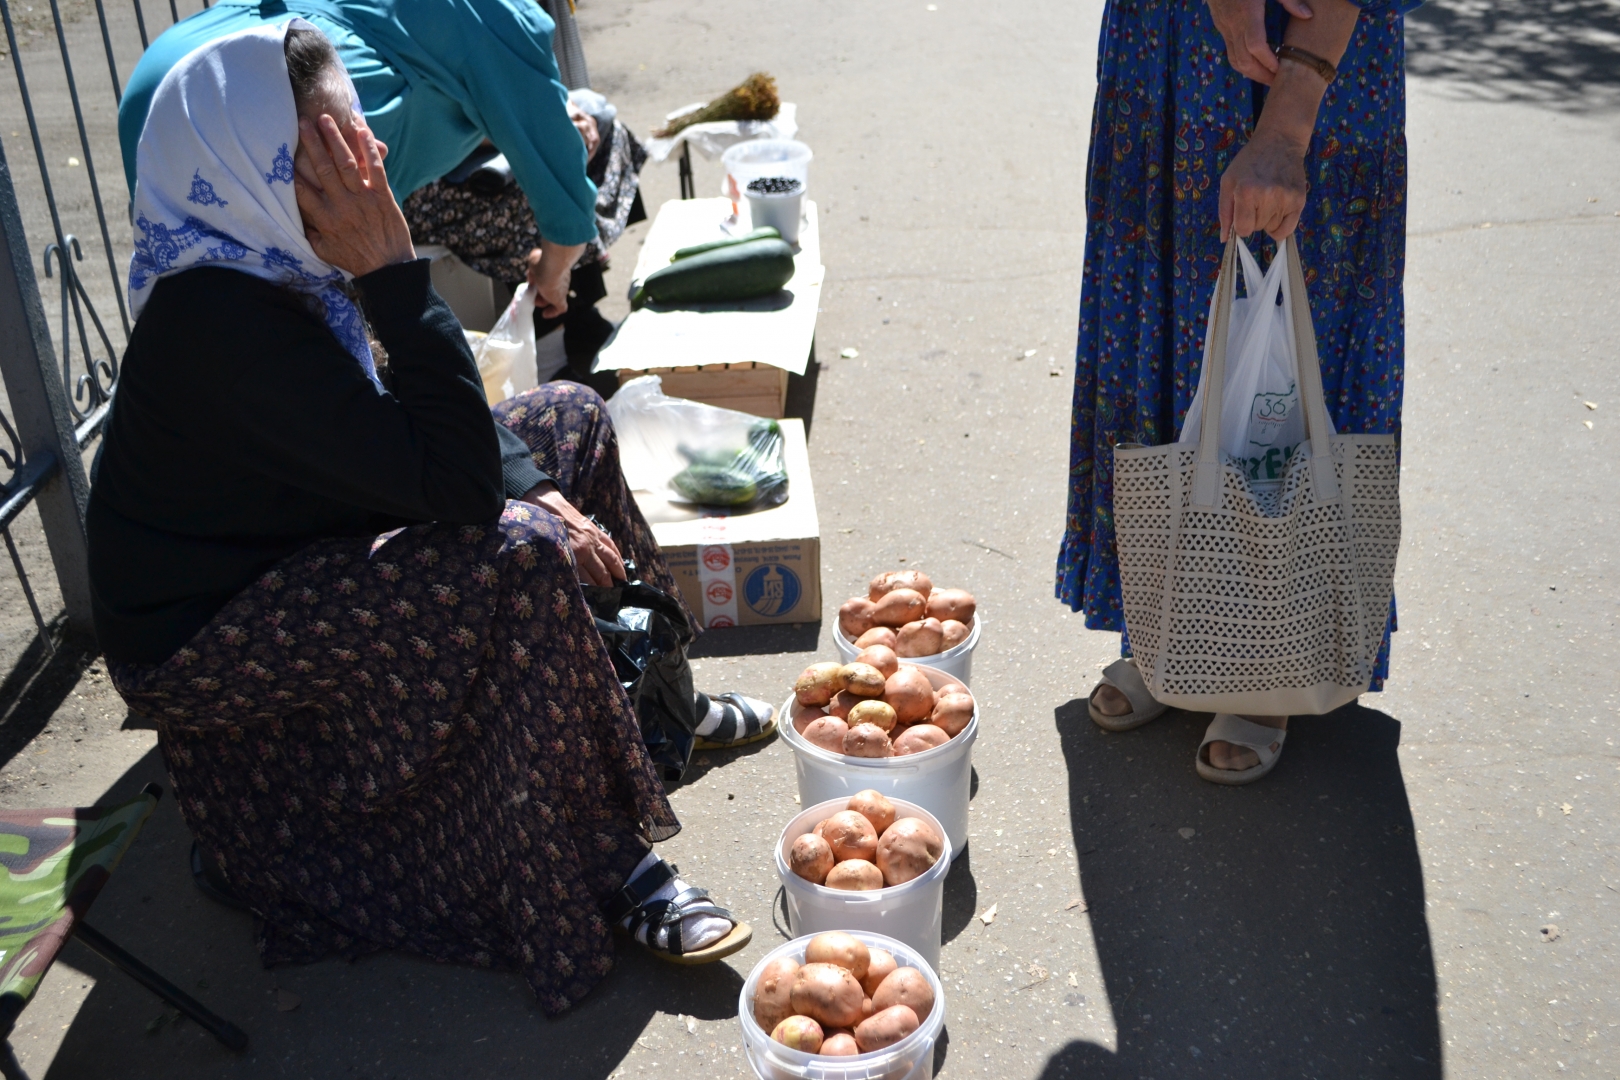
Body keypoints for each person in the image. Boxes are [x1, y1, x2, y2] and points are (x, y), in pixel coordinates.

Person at [90, 23, 764, 1013]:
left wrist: (536, 481)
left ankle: (651, 701)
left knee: (569, 422)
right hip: (206, 635)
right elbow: (446, 480)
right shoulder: (222, 322)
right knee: (518, 553)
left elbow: (423, 438)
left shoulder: (278, 262)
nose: (369, 175)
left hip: (302, 533)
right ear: (257, 165)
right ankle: (607, 861)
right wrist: (396, 270)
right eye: (332, 155)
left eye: (363, 142)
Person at [1059, 0, 1417, 782]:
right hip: (1163, 47)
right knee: (1159, 338)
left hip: (1312, 56)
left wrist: (1288, 125)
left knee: (1290, 351)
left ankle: (1270, 653)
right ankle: (1168, 625)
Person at [115, 0, 639, 387]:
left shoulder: (173, 351)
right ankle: (569, 339)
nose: (378, 149)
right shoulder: (494, 14)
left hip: (172, 92)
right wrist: (554, 268)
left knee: (225, 339)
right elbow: (555, 163)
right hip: (265, 103)